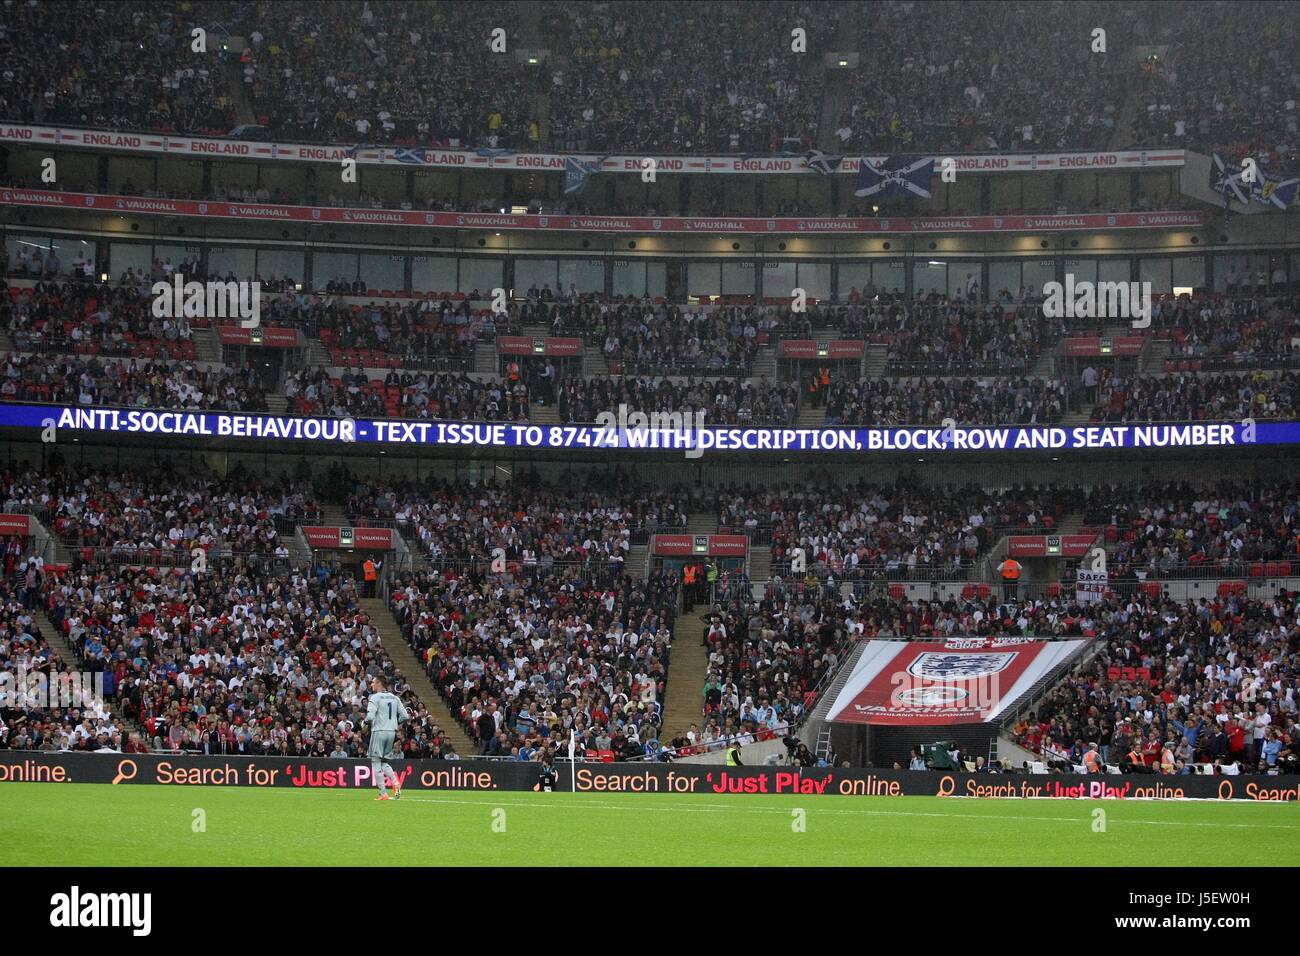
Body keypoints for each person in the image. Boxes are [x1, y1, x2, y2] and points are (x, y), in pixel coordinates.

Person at [365, 676, 409, 801]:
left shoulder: (375, 697)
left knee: (375, 761)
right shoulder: (395, 697)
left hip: (378, 731)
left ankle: (383, 793)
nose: (371, 685)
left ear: (379, 683)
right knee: (383, 761)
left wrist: (364, 723)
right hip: (391, 732)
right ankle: (395, 782)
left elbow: (370, 717)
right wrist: (394, 723)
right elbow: (405, 716)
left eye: (373, 682)